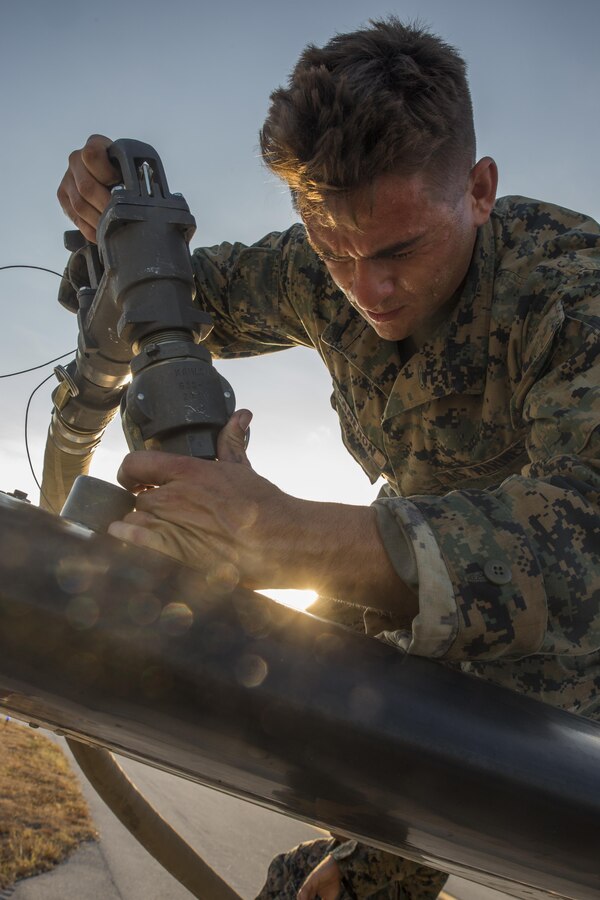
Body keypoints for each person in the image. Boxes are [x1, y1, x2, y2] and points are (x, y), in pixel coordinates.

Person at [57, 17, 600, 900]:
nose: (366, 288)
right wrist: (113, 229)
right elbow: (188, 297)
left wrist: (283, 535)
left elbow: (585, 548)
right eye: (332, 246)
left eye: (399, 249)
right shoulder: (328, 269)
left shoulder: (570, 292)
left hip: (566, 655)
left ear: (480, 188)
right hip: (413, 604)